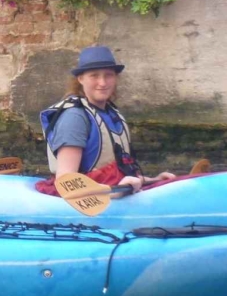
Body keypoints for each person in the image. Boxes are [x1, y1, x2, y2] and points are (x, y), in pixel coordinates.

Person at [40, 46, 174, 193]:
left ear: (115, 78)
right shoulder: (74, 118)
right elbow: (66, 182)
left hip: (115, 190)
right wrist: (117, 189)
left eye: (108, 75)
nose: (102, 83)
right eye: (94, 76)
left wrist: (153, 180)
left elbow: (119, 171)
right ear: (81, 79)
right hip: (90, 199)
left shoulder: (112, 113)